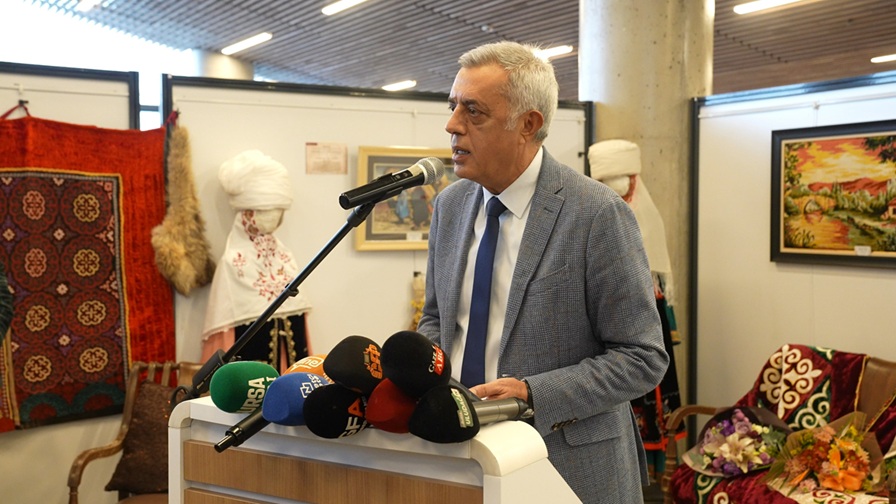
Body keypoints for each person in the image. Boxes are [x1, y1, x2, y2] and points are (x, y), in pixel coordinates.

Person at [416, 41, 669, 504]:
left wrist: (532, 394)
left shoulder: (596, 214)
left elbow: (642, 357)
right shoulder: (451, 206)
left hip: (566, 466)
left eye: (473, 111)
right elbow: (437, 319)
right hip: (460, 457)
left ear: (528, 124)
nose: (452, 124)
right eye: (453, 106)